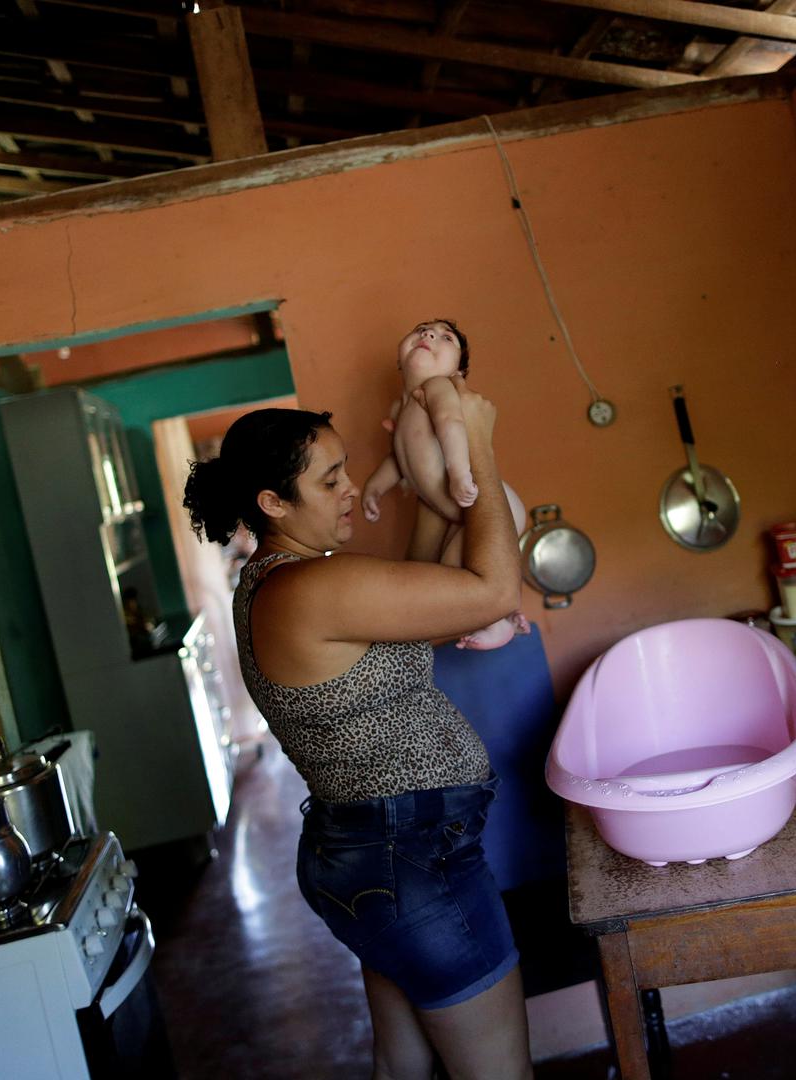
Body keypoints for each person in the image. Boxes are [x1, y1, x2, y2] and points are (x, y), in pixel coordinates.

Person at [182, 388, 533, 1080]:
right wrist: (478, 444)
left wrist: (424, 470)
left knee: (402, 1065)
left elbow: (415, 595)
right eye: (329, 480)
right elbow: (495, 592)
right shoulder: (311, 589)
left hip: (376, 854)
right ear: (273, 502)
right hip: (408, 860)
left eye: (345, 470)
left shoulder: (284, 584)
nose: (349, 488)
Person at [359, 319, 529, 650]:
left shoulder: (438, 387)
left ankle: (496, 622)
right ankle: (506, 616)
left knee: (457, 574)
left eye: (446, 337)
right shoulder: (401, 407)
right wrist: (375, 487)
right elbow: (399, 458)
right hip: (459, 513)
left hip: (487, 502)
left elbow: (451, 422)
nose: (429, 334)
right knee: (458, 570)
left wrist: (459, 472)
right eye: (422, 329)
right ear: (400, 359)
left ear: (457, 372)